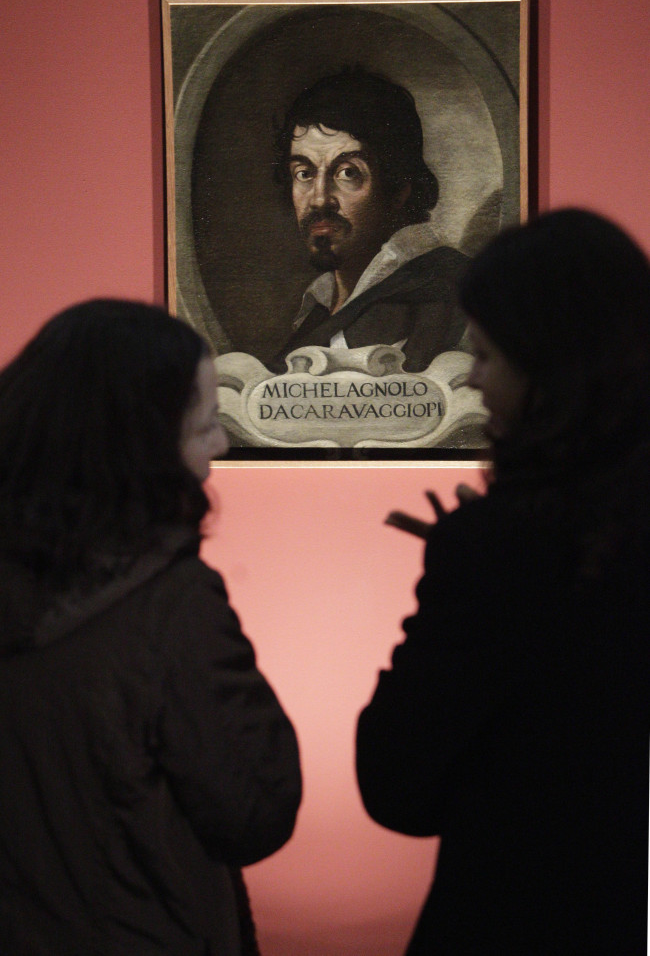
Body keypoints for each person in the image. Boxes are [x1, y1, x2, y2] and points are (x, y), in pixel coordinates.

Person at [355, 209, 650, 954]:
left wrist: (469, 561)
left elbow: (397, 783)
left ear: (550, 368)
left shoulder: (500, 548)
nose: (473, 379)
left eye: (486, 355)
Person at [0, 299, 302, 955]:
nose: (222, 446)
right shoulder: (168, 604)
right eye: (205, 428)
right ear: (138, 450)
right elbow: (255, 810)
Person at [268, 66, 468, 373]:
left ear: (398, 187)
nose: (319, 198)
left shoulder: (441, 290)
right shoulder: (319, 303)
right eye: (304, 173)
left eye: (348, 172)